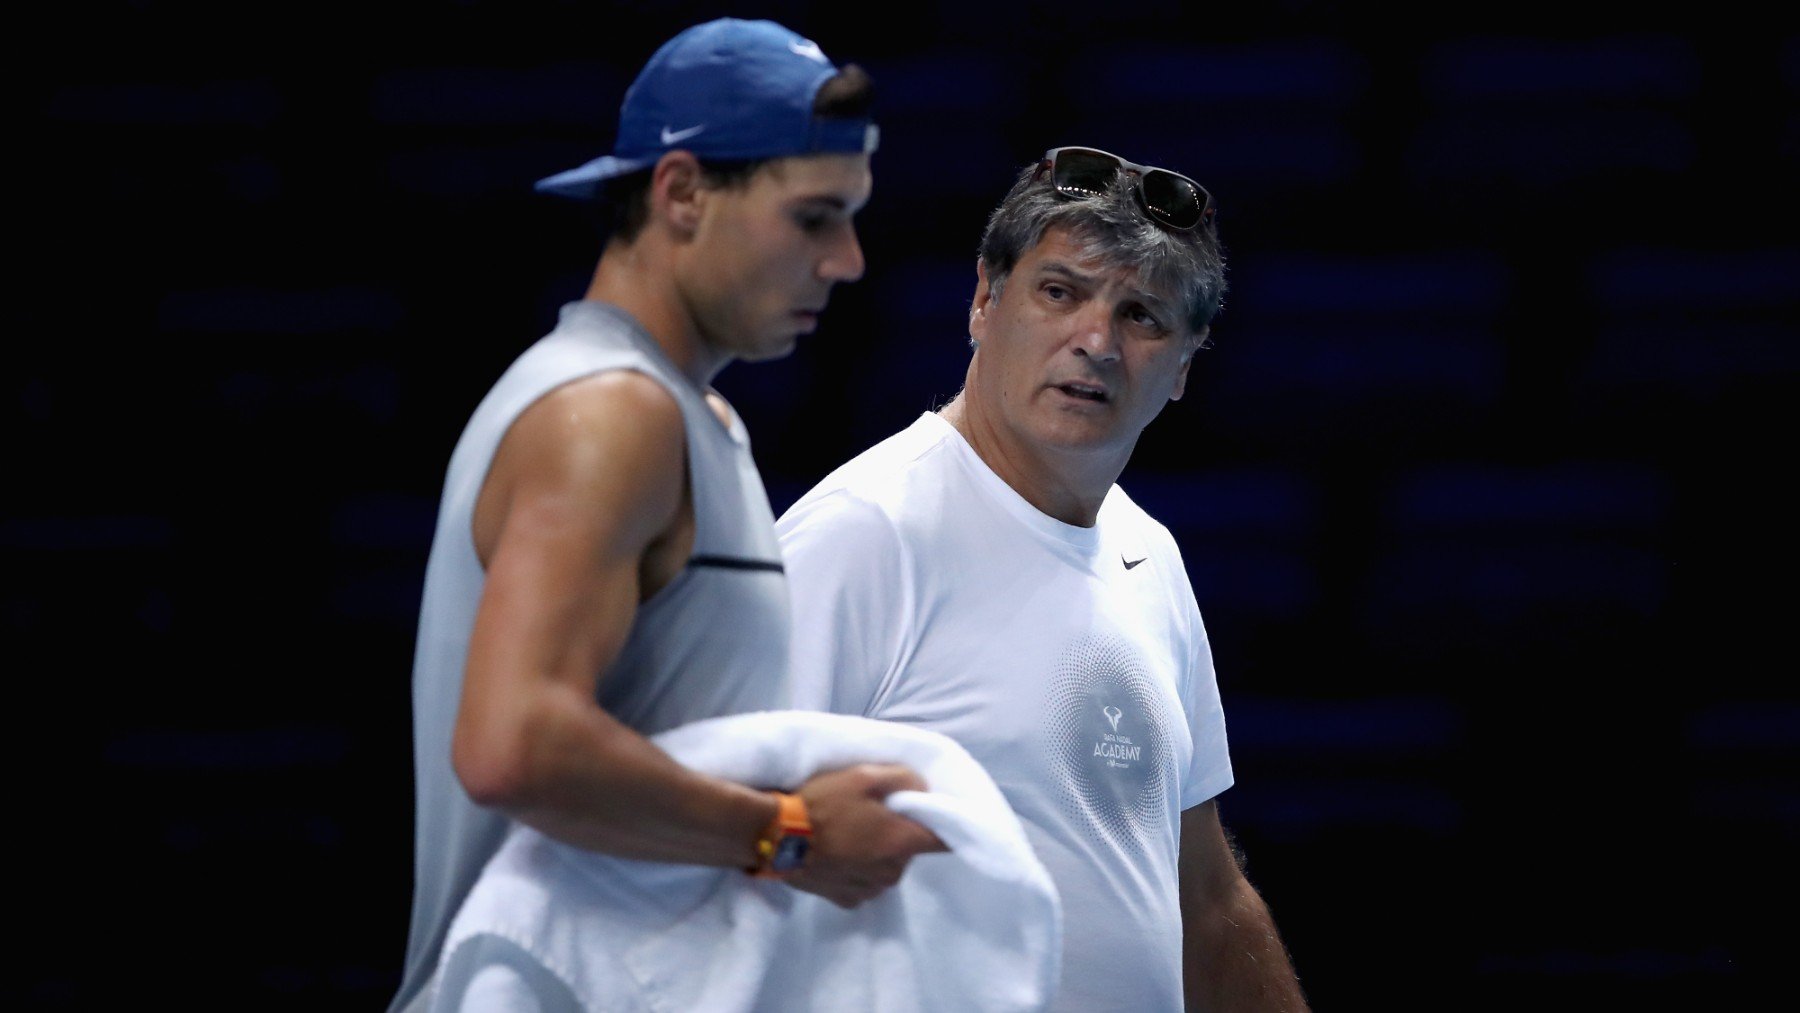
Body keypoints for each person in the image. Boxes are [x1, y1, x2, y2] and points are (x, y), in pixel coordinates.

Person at [389, 19, 941, 1013]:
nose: (849, 260)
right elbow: (514, 742)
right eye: (814, 218)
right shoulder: (609, 413)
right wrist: (791, 832)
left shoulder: (693, 418)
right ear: (681, 191)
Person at [777, 146, 1310, 1011]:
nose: (1095, 341)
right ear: (985, 300)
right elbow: (719, 840)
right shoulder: (861, 534)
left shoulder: (1152, 559)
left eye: (1141, 315)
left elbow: (1208, 905)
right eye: (1060, 292)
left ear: (1181, 369)